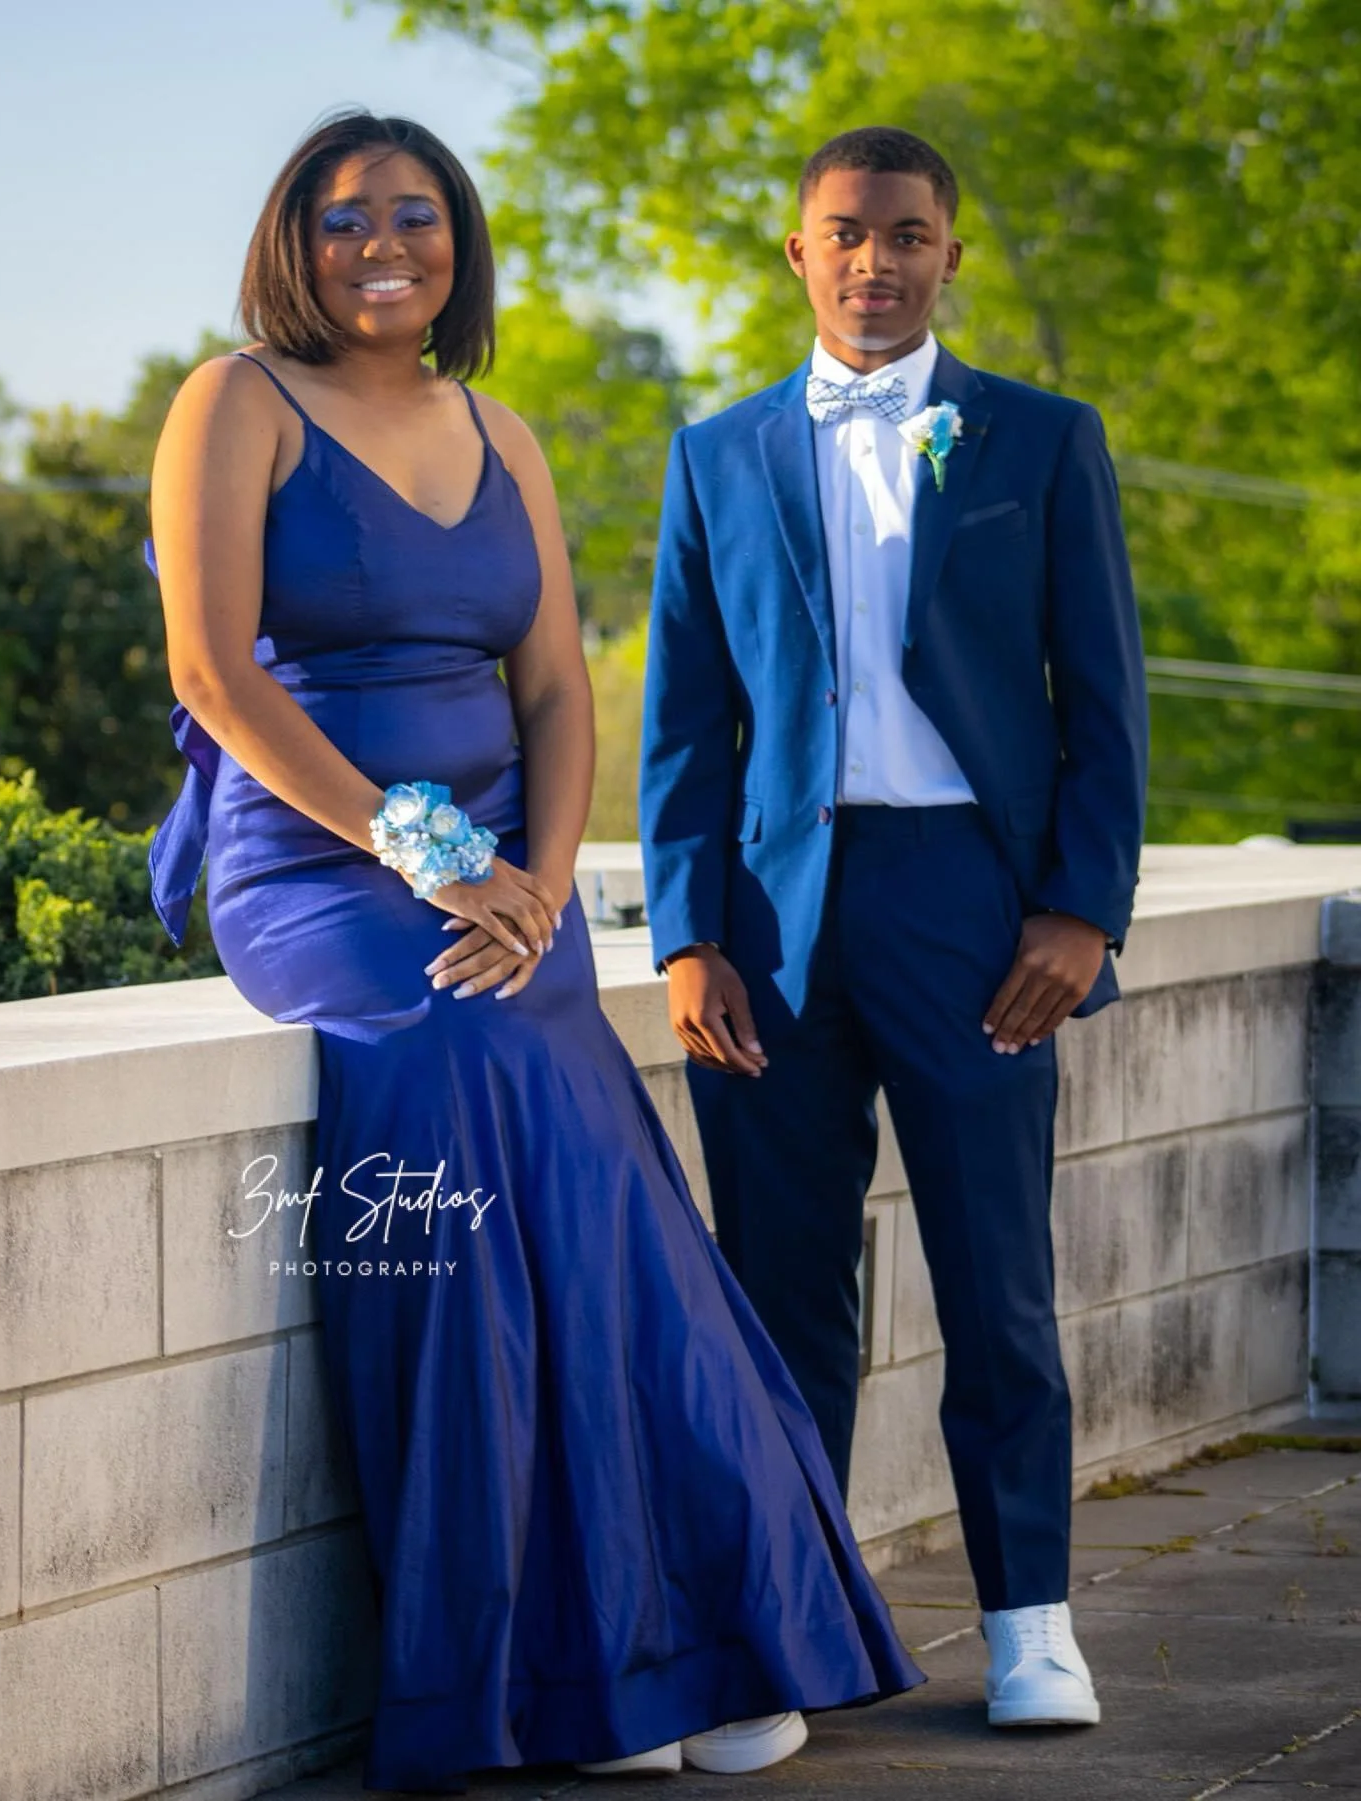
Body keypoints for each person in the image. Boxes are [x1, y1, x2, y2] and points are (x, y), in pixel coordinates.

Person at [145, 109, 922, 1797]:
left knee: (600, 1189)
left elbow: (559, 686)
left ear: (458, 245)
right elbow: (215, 674)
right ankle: (536, 1672)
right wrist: (428, 852)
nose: (383, 246)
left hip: (506, 877)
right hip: (316, 866)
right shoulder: (235, 404)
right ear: (295, 240)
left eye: (417, 218)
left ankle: (685, 1638)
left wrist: (545, 880)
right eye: (345, 220)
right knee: (454, 1055)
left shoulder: (498, 427)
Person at [640, 125, 1148, 1732]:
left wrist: (1080, 907)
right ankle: (787, 1645)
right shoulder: (714, 456)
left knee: (996, 1275)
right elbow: (685, 723)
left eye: (909, 234)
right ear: (798, 253)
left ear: (950, 252)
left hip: (970, 908)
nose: (877, 261)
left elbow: (1104, 701)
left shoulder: (1042, 442)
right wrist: (684, 934)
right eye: (847, 233)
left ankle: (1030, 1621)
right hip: (774, 932)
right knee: (779, 1292)